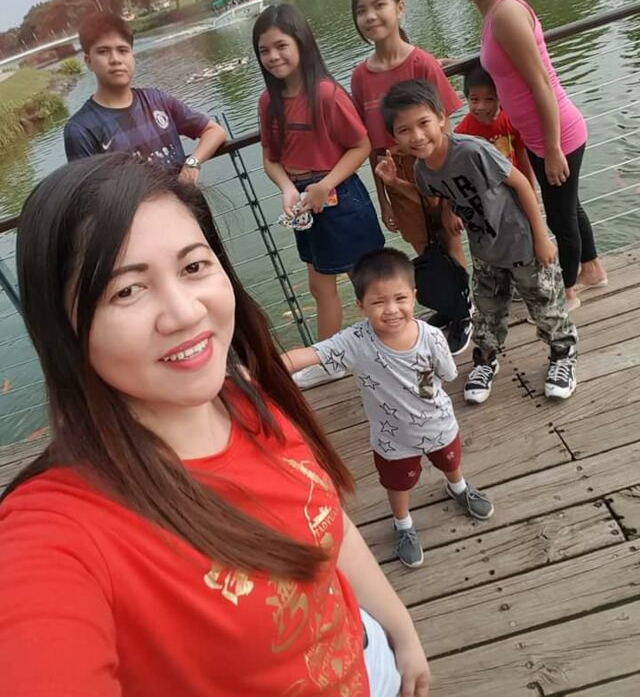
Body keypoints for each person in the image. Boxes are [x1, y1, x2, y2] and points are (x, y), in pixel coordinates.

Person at [0, 154, 430, 697]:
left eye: (193, 267)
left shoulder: (245, 402)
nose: (185, 313)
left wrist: (399, 629)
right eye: (127, 290)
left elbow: (322, 522)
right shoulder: (60, 531)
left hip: (371, 659)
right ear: (63, 328)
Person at [282, 247, 494, 570]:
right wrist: (265, 365)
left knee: (451, 460)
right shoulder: (354, 341)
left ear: (414, 296)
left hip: (438, 423)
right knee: (398, 483)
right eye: (378, 302)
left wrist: (423, 389)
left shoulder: (431, 336)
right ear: (360, 305)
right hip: (392, 438)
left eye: (400, 298)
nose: (392, 310)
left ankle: (458, 487)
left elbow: (445, 373)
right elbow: (309, 355)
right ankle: (402, 522)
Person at [376, 80, 579, 404]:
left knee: (545, 306)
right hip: (485, 249)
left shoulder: (471, 151)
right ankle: (485, 361)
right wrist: (395, 183)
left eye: (423, 123)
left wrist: (541, 237)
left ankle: (562, 354)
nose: (416, 136)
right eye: (404, 130)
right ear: (394, 137)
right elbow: (431, 199)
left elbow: (521, 185)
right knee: (487, 312)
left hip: (521, 244)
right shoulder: (423, 169)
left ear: (441, 118)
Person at [449, 0, 607, 310]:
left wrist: (552, 149)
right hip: (541, 135)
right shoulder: (494, 12)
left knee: (560, 218)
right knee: (568, 208)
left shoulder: (504, 13)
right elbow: (502, 63)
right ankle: (592, 269)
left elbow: (540, 83)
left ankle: (567, 291)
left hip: (557, 134)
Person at [253, 3, 384, 387]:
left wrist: (326, 183)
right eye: (264, 50)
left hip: (339, 195)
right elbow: (270, 159)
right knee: (320, 285)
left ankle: (392, 343)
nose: (273, 56)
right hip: (303, 201)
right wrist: (286, 188)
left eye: (281, 46)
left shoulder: (327, 94)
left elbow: (361, 145)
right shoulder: (268, 102)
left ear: (301, 43)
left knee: (367, 280)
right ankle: (330, 358)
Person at [350, 0, 472, 356]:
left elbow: (445, 133)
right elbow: (373, 146)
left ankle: (465, 311)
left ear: (400, 8)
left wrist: (450, 199)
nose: (371, 16)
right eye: (361, 10)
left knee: (450, 238)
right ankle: (448, 305)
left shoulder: (422, 63)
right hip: (393, 171)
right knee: (422, 245)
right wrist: (384, 200)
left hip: (433, 164)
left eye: (379, 5)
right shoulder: (360, 76)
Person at [64, 12, 227, 181]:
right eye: (103, 51)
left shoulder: (158, 100)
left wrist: (192, 163)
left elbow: (214, 131)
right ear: (89, 61)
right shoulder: (81, 129)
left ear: (132, 57)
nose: (115, 59)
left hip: (182, 198)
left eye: (122, 50)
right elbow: (87, 190)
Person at [456, 64, 536, 186]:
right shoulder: (462, 134)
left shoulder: (512, 120)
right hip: (489, 189)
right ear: (467, 98)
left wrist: (530, 187)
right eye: (474, 100)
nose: (481, 107)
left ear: (501, 97)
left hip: (517, 183)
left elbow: (523, 156)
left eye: (489, 99)